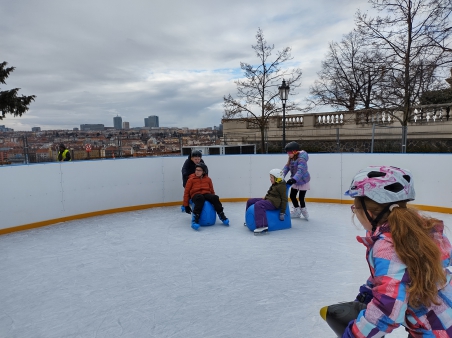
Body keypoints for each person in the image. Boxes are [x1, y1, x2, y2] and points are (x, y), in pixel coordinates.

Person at [339, 165, 452, 337]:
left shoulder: (388, 246)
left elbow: (387, 309)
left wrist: (354, 335)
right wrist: (369, 290)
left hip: (436, 329)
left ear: (369, 213)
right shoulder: (416, 227)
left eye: (356, 209)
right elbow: (399, 272)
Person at [183, 163, 228, 230]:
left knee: (215, 197)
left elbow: (212, 191)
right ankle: (195, 219)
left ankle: (221, 215)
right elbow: (186, 193)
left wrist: (214, 199)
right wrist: (186, 205)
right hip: (196, 195)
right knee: (200, 198)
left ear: (203, 171)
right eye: (196, 170)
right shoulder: (191, 179)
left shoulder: (208, 179)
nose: (197, 172)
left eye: (199, 170)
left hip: (206, 193)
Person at [246, 169, 288, 234]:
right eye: (270, 177)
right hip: (268, 199)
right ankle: (248, 220)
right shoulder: (275, 184)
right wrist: (265, 198)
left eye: (271, 177)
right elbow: (270, 193)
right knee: (250, 201)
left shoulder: (281, 186)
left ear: (277, 178)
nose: (270, 179)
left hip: (274, 203)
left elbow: (284, 199)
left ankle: (262, 226)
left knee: (259, 205)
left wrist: (282, 212)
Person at [282, 141, 310, 220]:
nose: (288, 154)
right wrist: (281, 175)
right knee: (292, 196)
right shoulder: (291, 158)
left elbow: (300, 171)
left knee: (301, 197)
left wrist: (293, 179)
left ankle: (304, 211)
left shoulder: (302, 159)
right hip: (296, 180)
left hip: (303, 180)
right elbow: (286, 168)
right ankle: (297, 210)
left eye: (289, 152)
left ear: (294, 151)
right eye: (287, 153)